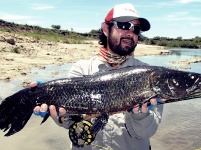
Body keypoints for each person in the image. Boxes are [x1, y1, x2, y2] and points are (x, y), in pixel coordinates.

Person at [32, 3, 165, 150]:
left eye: (136, 29)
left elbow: (147, 132)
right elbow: (69, 123)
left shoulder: (150, 76)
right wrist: (57, 113)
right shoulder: (81, 69)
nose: (130, 33)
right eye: (124, 25)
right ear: (106, 29)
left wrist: (141, 114)